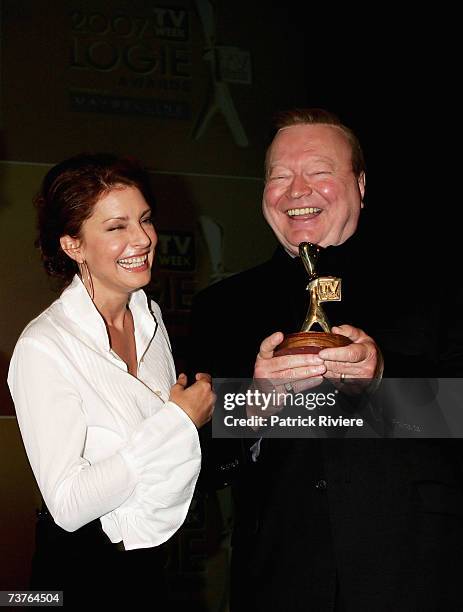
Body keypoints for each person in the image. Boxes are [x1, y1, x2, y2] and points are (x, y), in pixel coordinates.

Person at [189, 109, 462, 611]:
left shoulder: (439, 286)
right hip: (278, 580)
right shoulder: (221, 307)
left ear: (360, 184)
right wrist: (253, 404)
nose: (296, 191)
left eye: (319, 172)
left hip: (417, 576)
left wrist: (384, 380)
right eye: (279, 176)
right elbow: (192, 462)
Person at [7, 153, 215, 608]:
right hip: (76, 576)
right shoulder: (44, 347)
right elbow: (68, 504)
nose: (142, 238)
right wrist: (177, 423)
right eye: (116, 227)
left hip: (148, 565)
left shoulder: (150, 317)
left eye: (144, 219)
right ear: (73, 245)